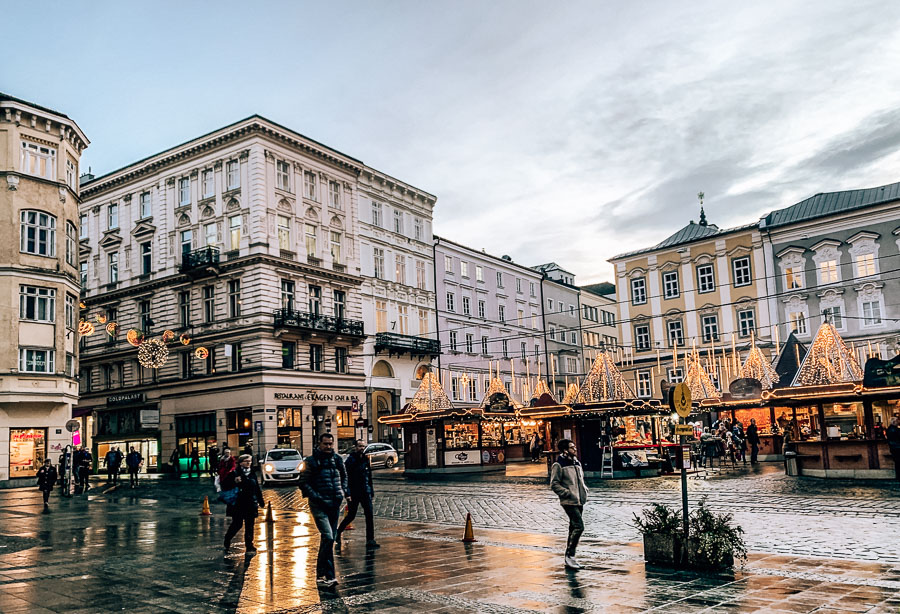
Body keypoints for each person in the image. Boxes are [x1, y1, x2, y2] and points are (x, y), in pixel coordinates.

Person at [299, 433, 348, 588]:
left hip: (334, 503)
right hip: (319, 505)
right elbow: (302, 482)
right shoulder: (311, 461)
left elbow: (344, 476)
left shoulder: (337, 459)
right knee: (327, 536)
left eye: (331, 444)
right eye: (326, 444)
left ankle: (323, 574)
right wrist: (316, 497)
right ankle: (327, 574)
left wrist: (343, 491)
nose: (328, 447)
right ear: (319, 443)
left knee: (330, 539)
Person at [549, 439, 588, 570]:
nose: (575, 449)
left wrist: (584, 490)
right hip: (569, 501)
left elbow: (580, 480)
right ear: (565, 450)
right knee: (579, 527)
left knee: (573, 528)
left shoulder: (576, 462)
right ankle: (570, 555)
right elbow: (554, 484)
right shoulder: (558, 465)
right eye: (572, 447)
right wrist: (567, 493)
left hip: (579, 499)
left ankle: (569, 557)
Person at [335, 439, 378, 549]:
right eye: (360, 446)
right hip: (354, 492)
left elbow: (369, 476)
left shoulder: (365, 459)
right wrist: (347, 493)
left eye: (363, 446)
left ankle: (370, 540)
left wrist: (371, 490)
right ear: (355, 447)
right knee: (351, 515)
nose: (362, 448)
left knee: (369, 515)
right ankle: (338, 531)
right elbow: (345, 478)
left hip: (365, 491)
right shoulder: (350, 460)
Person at [222, 454, 265, 555]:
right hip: (238, 504)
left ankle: (249, 546)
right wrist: (234, 481)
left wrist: (261, 501)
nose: (248, 463)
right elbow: (224, 485)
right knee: (237, 524)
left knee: (250, 525)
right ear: (241, 462)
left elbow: (257, 489)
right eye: (246, 461)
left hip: (250, 503)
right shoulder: (235, 473)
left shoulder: (253, 473)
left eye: (249, 461)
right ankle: (228, 538)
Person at [887, 417, 900, 482]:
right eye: (897, 421)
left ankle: (898, 476)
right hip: (898, 447)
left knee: (897, 463)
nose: (898, 422)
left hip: (893, 448)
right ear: (894, 422)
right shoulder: (896, 429)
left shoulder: (889, 429)